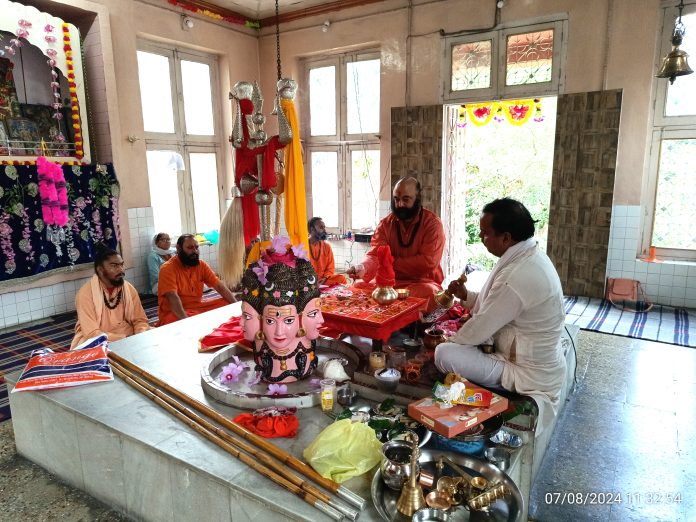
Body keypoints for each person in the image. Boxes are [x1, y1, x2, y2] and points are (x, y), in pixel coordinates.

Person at [434, 198, 565, 429]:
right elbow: (494, 305)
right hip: (528, 356)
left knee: (444, 354)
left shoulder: (518, 274)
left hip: (527, 372)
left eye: (485, 234)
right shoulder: (527, 254)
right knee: (461, 343)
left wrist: (448, 340)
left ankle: (489, 398)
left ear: (506, 237)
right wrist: (466, 295)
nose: (482, 239)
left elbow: (481, 325)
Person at [347, 177, 445, 309]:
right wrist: (363, 267)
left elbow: (427, 262)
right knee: (357, 287)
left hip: (419, 283)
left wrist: (388, 262)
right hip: (388, 283)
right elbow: (376, 255)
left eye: (405, 199)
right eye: (396, 199)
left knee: (431, 293)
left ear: (417, 198)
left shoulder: (432, 224)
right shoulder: (385, 225)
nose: (399, 205)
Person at [71, 244, 150, 349]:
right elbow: (91, 333)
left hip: (127, 333)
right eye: (114, 266)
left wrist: (139, 334)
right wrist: (124, 339)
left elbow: (140, 320)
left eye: (122, 265)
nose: (121, 270)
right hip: (98, 339)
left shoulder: (128, 288)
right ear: (100, 270)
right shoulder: (85, 294)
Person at [157, 234, 236, 326]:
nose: (194, 251)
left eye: (196, 247)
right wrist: (187, 322)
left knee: (227, 303)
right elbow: (172, 297)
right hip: (175, 312)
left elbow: (219, 286)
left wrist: (237, 306)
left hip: (197, 308)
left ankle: (200, 321)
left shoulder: (201, 265)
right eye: (190, 248)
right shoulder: (167, 268)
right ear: (179, 248)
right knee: (172, 319)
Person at [307, 217, 347, 286]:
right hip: (308, 281)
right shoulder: (302, 246)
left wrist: (325, 278)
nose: (324, 230)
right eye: (321, 227)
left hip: (323, 280)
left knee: (341, 278)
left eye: (324, 227)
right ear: (312, 229)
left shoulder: (326, 246)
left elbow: (330, 267)